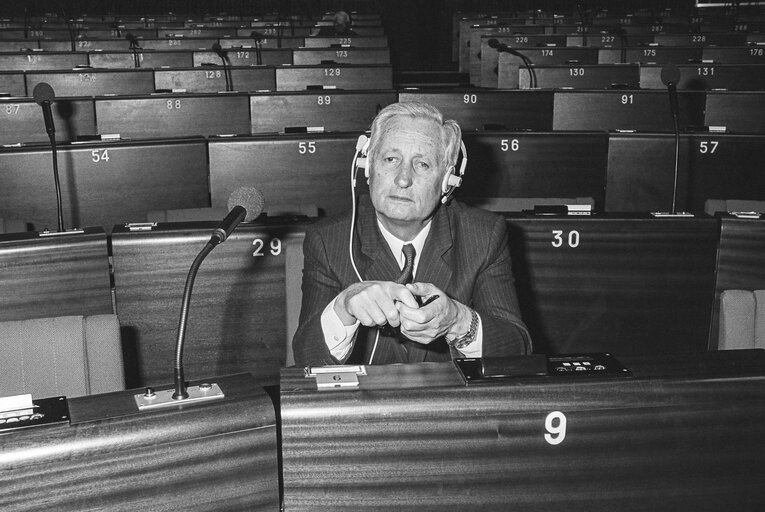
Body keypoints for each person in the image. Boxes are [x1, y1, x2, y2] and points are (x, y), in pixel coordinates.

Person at [292, 102, 531, 366]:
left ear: (447, 181)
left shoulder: (484, 236)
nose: (403, 179)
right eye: (391, 159)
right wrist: (343, 308)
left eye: (423, 164)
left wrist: (458, 321)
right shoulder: (328, 240)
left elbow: (516, 350)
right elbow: (307, 360)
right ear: (367, 167)